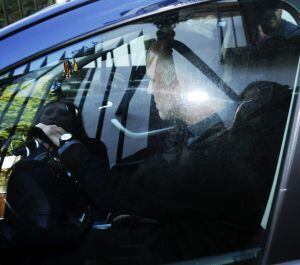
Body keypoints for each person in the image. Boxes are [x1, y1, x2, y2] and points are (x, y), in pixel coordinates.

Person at [36, 36, 291, 264]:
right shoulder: (210, 133)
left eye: (153, 80)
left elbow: (114, 195)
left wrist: (69, 144)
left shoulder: (213, 155)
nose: (148, 90)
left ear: (182, 82)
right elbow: (149, 169)